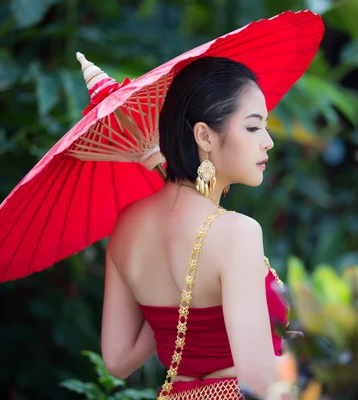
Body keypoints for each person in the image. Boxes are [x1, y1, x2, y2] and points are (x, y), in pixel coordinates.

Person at [100, 56, 295, 400]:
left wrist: (169, 306)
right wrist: (302, 361)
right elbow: (259, 383)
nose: (267, 141)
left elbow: (117, 361)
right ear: (204, 135)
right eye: (252, 127)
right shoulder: (236, 232)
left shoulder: (127, 225)